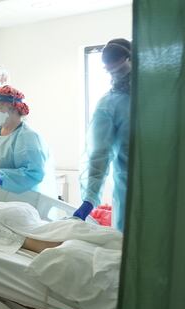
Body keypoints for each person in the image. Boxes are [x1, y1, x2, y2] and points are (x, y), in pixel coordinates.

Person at [73, 39, 131, 232]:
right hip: (130, 193)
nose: (118, 76)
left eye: (121, 69)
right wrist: (90, 198)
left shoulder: (163, 97)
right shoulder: (109, 104)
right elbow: (99, 154)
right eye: (111, 71)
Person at [0, 85, 57, 197]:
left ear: (14, 109)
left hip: (21, 201)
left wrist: (1, 178)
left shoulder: (28, 138)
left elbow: (34, 173)